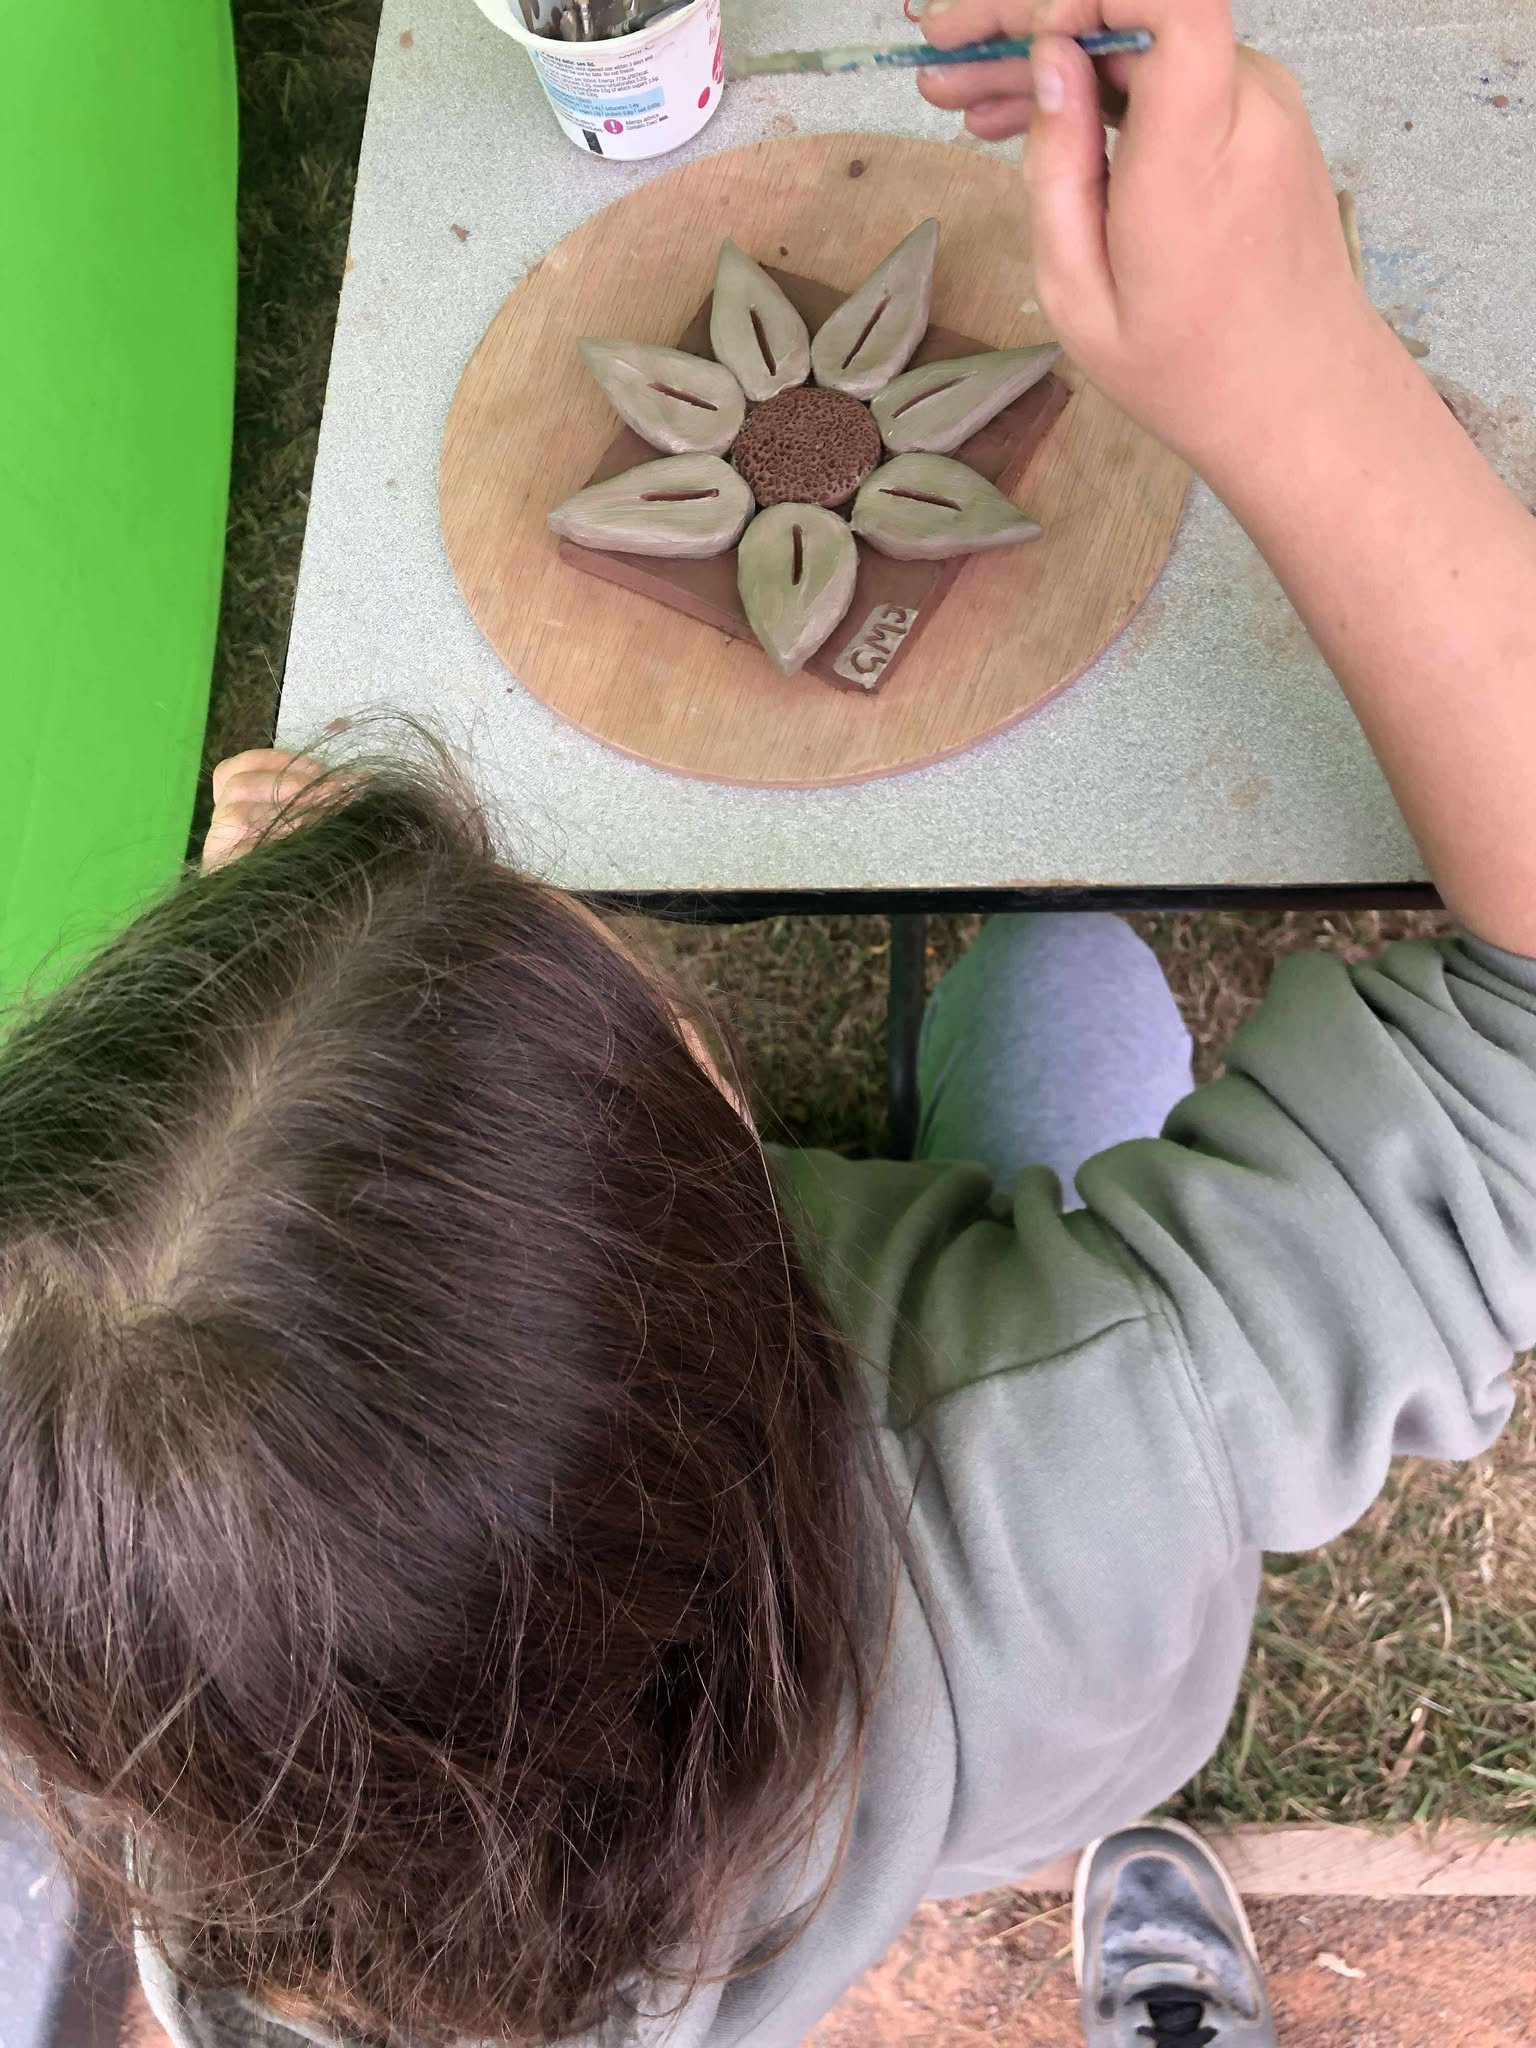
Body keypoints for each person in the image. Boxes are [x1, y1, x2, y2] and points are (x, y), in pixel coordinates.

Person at [2, 0, 1533, 2042]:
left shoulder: (212, 1790)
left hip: (860, 1787)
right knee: (1068, 981)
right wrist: (1292, 370)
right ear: (709, 1166)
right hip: (1057, 1703)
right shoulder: (1079, 1447)